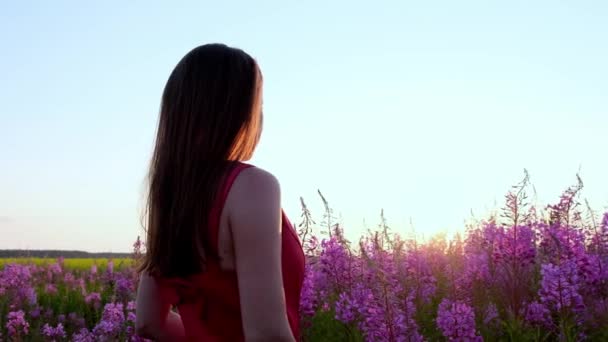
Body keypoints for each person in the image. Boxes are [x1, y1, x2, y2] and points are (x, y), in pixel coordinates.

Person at [134, 43, 305, 341]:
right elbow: (267, 334)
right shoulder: (252, 187)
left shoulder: (172, 199)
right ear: (236, 113)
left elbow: (149, 322)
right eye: (259, 106)